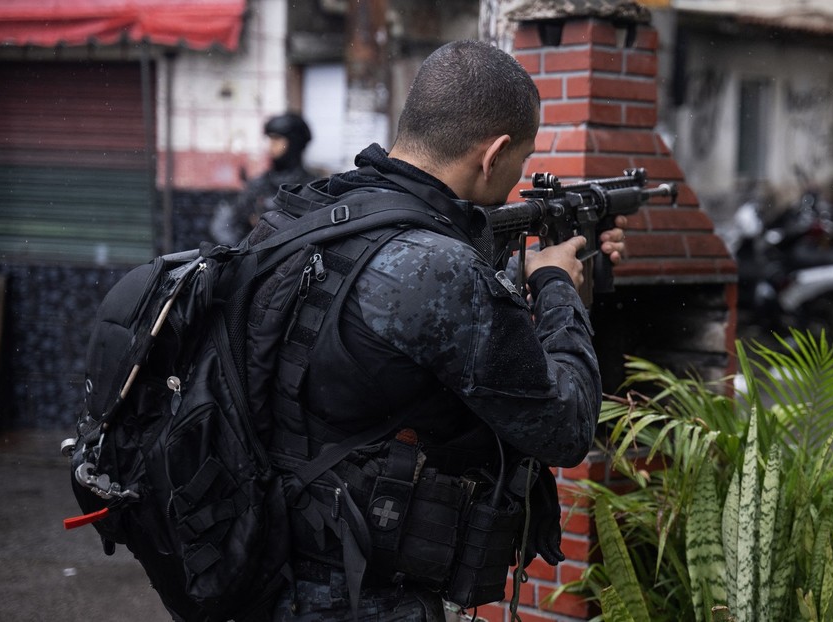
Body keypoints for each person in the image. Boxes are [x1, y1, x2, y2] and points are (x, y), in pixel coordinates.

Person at [260, 40, 627, 621]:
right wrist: (557, 285)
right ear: (494, 153)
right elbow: (566, 427)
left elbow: (403, 330)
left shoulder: (312, 214)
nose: (518, 178)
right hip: (366, 597)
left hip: (269, 562)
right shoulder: (439, 267)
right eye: (522, 161)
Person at [210, 112, 317, 245]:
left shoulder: (312, 186)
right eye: (270, 139)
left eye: (277, 139)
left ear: (294, 142)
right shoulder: (259, 185)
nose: (271, 146)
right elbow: (225, 226)